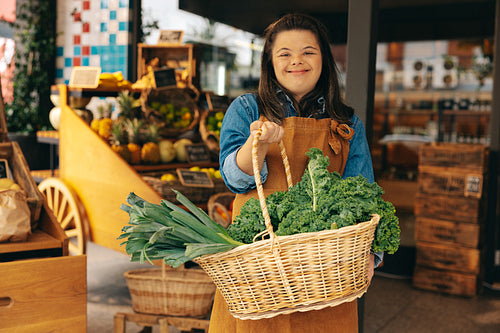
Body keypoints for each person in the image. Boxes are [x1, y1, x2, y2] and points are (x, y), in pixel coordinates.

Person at [211, 13, 383, 333]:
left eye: (308, 52)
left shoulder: (346, 122)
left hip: (327, 275)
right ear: (270, 62)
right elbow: (235, 179)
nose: (296, 61)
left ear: (324, 60)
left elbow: (364, 195)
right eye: (285, 54)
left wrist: (371, 254)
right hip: (257, 272)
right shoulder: (247, 109)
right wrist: (257, 143)